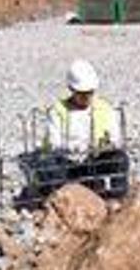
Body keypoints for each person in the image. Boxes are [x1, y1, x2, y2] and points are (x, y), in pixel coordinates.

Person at [39, 60, 129, 199]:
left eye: (89, 93)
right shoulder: (58, 111)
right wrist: (72, 148)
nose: (86, 97)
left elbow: (116, 138)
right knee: (48, 165)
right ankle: (60, 199)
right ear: (71, 89)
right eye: (81, 93)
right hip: (68, 163)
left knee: (120, 158)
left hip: (93, 161)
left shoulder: (104, 108)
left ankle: (116, 199)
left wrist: (106, 145)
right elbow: (53, 142)